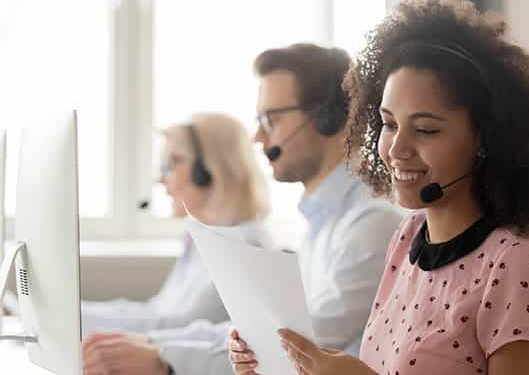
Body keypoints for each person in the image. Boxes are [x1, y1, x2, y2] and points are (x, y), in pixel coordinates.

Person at [229, 0, 529, 375]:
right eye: (388, 124)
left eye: (424, 129)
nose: (397, 148)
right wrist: (271, 357)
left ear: (488, 140)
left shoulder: (519, 266)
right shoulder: (407, 239)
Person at [129, 43, 404, 375]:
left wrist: (165, 357)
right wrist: (156, 347)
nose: (258, 137)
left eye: (270, 119)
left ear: (326, 118)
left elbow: (296, 341)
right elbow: (262, 330)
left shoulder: (370, 224)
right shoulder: (323, 223)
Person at [82, 112, 273, 375]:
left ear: (208, 169)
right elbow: (155, 311)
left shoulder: (245, 245)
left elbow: (171, 323)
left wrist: (72, 318)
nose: (162, 180)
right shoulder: (201, 238)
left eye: (173, 164)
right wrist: (72, 313)